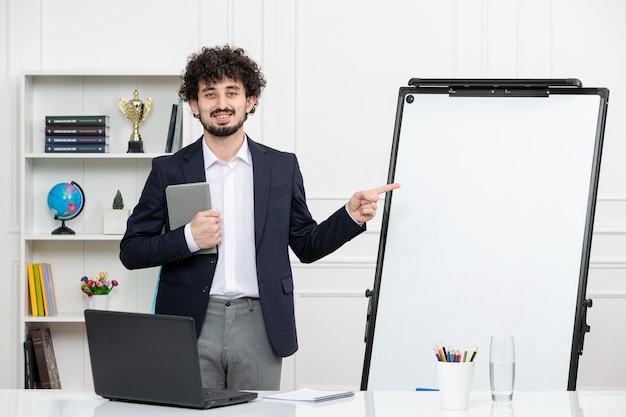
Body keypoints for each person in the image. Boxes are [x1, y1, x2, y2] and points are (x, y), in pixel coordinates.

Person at [119, 45, 400, 390]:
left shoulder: (281, 167)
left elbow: (306, 245)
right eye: (210, 94)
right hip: (189, 323)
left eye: (232, 92)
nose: (221, 103)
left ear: (250, 100)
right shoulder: (168, 169)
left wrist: (350, 217)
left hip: (260, 325)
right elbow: (132, 251)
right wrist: (189, 238)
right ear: (194, 105)